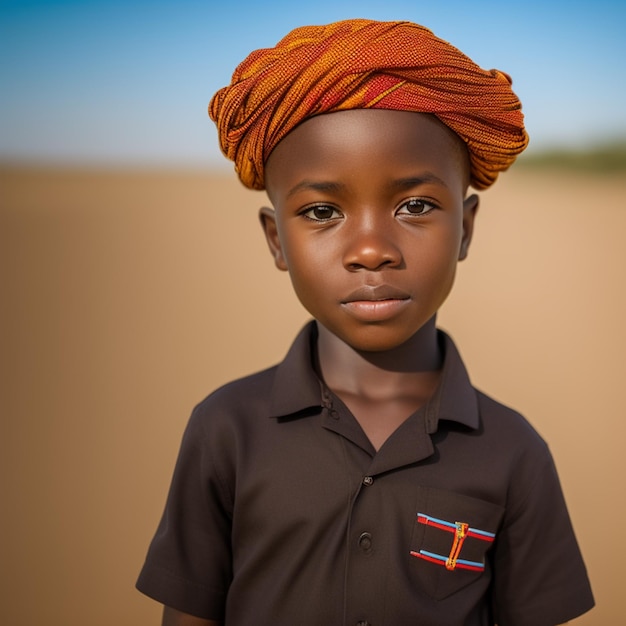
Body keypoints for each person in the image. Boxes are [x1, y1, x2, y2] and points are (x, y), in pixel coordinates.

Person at [136, 19, 594, 626]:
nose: (372, 248)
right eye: (323, 211)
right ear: (277, 241)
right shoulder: (225, 430)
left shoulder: (513, 451)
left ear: (467, 227)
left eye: (416, 206)